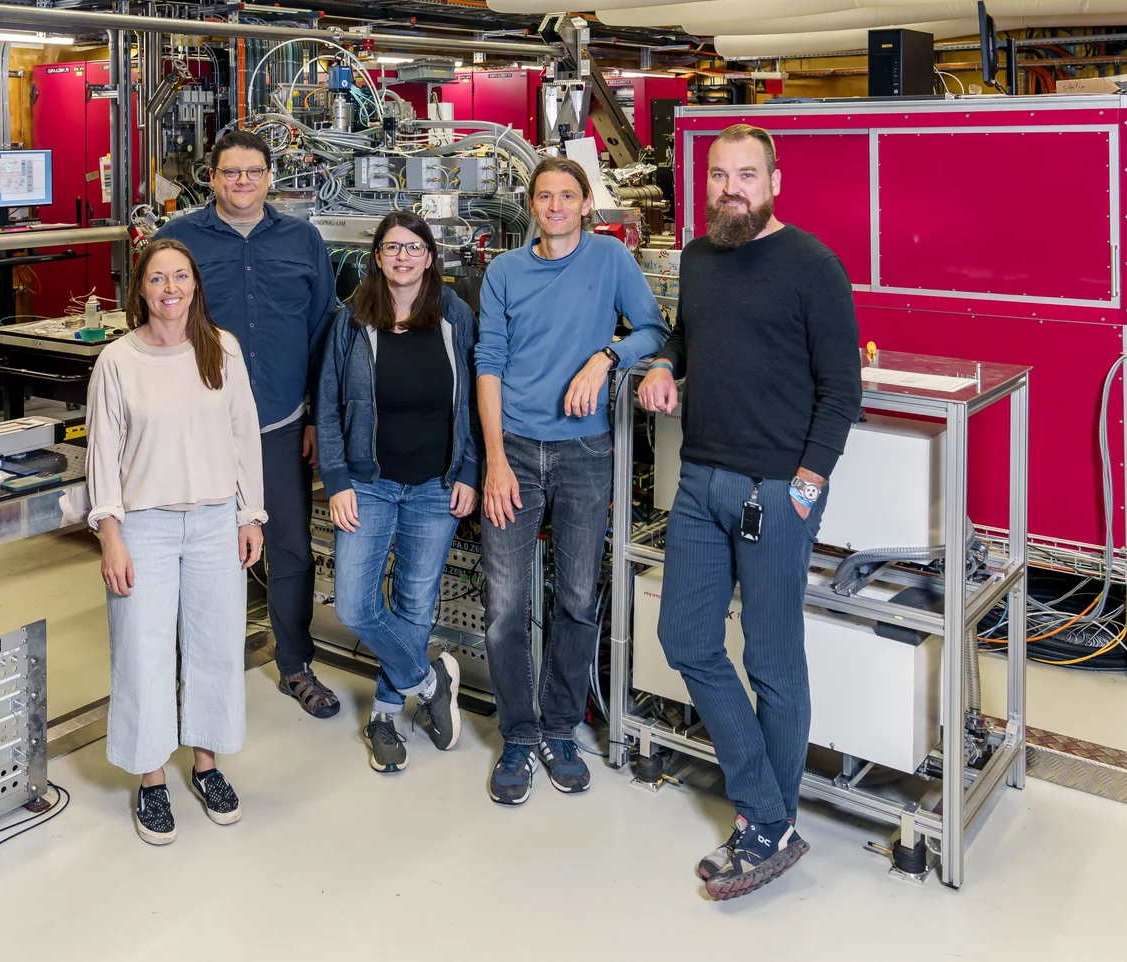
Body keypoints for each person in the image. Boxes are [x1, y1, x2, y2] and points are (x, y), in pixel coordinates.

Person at [639, 123, 861, 900]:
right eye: (718, 174)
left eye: (745, 175)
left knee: (771, 662)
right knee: (684, 637)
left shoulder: (811, 266)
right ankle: (768, 813)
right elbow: (685, 335)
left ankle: (764, 823)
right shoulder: (698, 258)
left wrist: (805, 484)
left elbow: (842, 390)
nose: (730, 187)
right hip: (699, 479)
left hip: (775, 491)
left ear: (774, 181)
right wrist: (665, 365)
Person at [477, 156, 669, 805]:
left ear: (586, 204)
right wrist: (494, 460)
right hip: (515, 453)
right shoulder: (504, 272)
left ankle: (560, 727)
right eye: (544, 196)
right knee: (504, 607)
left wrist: (604, 356)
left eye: (567, 195)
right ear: (531, 205)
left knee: (578, 599)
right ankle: (518, 734)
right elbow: (489, 365)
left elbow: (652, 328)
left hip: (585, 454)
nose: (555, 205)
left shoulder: (609, 262)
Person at [84, 238, 266, 846]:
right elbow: (103, 455)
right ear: (140, 289)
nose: (170, 289)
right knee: (143, 653)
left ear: (195, 284)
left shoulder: (222, 348)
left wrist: (251, 515)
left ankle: (208, 766)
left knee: (216, 646)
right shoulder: (117, 361)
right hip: (146, 527)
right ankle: (152, 778)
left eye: (180, 277)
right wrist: (111, 534)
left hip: (216, 521)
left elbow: (245, 438)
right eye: (158, 279)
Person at [162, 131, 342, 720]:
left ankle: (295, 665)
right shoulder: (179, 240)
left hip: (283, 422)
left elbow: (323, 335)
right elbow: (156, 327)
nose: (243, 181)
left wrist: (318, 413)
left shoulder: (303, 240)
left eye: (254, 171)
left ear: (270, 177)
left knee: (289, 548)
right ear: (211, 178)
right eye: (231, 172)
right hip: (202, 427)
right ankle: (199, 669)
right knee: (203, 551)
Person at [316, 211, 480, 774]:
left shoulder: (455, 315)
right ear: (377, 259)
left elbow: (473, 406)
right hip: (370, 484)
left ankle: (385, 714)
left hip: (437, 487)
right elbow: (330, 408)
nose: (403, 257)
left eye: (413, 248)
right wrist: (337, 479)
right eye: (392, 248)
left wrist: (470, 472)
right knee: (357, 605)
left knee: (413, 605)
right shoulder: (354, 320)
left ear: (430, 257)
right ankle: (430, 678)